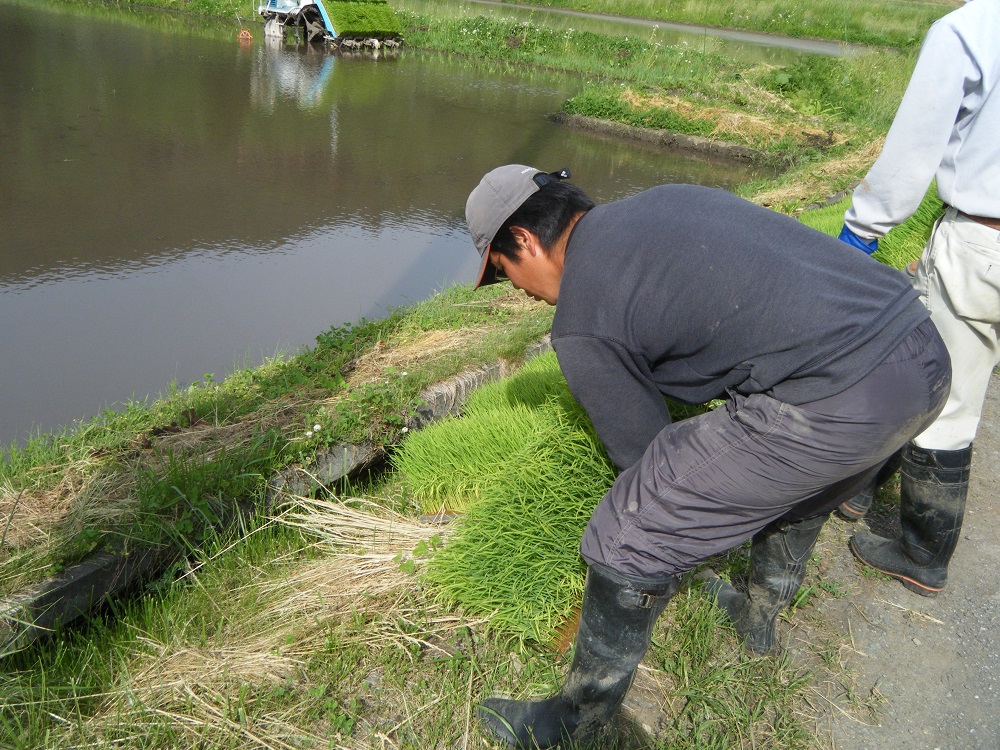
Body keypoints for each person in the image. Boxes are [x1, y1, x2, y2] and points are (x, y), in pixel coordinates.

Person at [464, 164, 951, 749]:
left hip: (845, 397)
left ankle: (573, 727)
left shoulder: (583, 316)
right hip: (920, 353)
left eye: (505, 272)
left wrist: (668, 522)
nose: (517, 291)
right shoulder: (663, 199)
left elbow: (643, 456)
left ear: (524, 239)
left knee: (631, 525)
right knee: (799, 478)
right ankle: (758, 615)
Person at [836, 0, 999, 596]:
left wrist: (860, 233)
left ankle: (921, 551)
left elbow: (912, 151)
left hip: (986, 238)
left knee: (939, 389)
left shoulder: (973, 27)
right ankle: (863, 483)